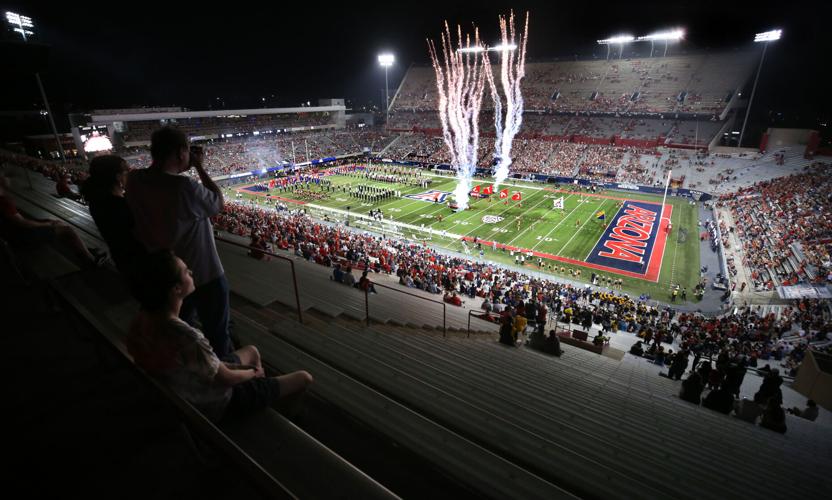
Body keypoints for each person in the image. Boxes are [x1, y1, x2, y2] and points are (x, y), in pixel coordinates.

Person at [126, 250, 313, 422]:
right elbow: (227, 379)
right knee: (304, 377)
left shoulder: (141, 320)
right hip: (216, 403)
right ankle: (283, 411)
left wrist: (233, 367)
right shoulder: (187, 336)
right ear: (176, 289)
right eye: (185, 271)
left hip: (184, 388)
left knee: (252, 351)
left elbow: (206, 365)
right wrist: (252, 373)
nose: (191, 271)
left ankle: (261, 392)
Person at [127, 127, 231, 357]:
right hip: (204, 274)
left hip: (165, 270)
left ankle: (189, 365)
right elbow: (218, 203)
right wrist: (199, 166)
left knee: (180, 328)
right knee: (217, 333)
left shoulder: (133, 180)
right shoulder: (184, 187)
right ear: (181, 153)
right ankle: (225, 379)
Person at [0, 171, 103, 268]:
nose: (8, 179)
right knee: (67, 229)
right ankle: (91, 260)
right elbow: (23, 223)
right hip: (21, 237)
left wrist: (49, 222)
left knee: (57, 223)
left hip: (12, 234)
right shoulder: (4, 201)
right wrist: (48, 224)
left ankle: (85, 251)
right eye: (5, 177)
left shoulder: (4, 200)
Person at [81, 155, 145, 273]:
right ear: (118, 177)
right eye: (127, 170)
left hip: (121, 259)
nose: (131, 172)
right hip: (139, 262)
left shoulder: (98, 201)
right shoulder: (119, 206)